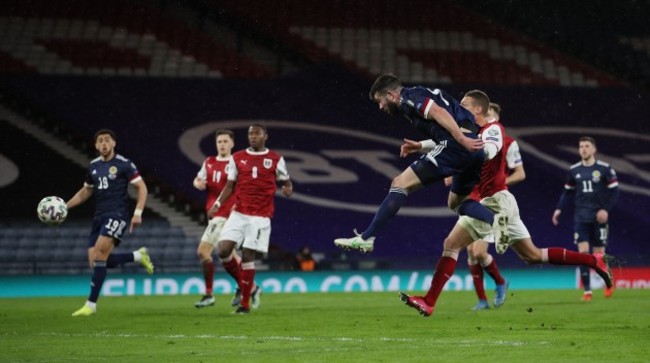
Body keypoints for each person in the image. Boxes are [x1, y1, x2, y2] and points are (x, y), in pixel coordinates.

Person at [397, 111, 614, 318]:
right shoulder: (472, 134)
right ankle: (593, 260)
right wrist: (422, 147)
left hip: (493, 201)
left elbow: (503, 162)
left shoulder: (496, 134)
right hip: (495, 200)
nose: (461, 107)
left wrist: (464, 167)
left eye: (466, 104)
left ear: (482, 111)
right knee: (532, 255)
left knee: (455, 244)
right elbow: (452, 141)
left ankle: (432, 300)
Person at [334, 74, 509, 254]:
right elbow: (459, 120)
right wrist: (421, 146)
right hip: (474, 150)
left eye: (380, 101)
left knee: (400, 183)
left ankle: (367, 238)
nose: (381, 107)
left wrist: (461, 139)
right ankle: (495, 221)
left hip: (458, 146)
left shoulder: (409, 97)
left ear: (391, 95)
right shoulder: (423, 93)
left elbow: (438, 113)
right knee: (457, 202)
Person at [66, 129, 153, 317]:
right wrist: (66, 207)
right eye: (100, 141)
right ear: (96, 145)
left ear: (113, 143)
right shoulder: (93, 166)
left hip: (117, 214)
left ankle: (91, 305)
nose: (104, 143)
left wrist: (137, 213)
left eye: (107, 140)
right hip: (99, 216)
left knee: (99, 255)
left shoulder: (124, 164)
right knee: (96, 262)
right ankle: (137, 256)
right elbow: (85, 191)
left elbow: (142, 187)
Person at [209, 124, 293, 314]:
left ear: (265, 136)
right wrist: (217, 204)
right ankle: (251, 287)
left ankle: (244, 304)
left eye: (257, 133)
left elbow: (287, 182)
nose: (253, 136)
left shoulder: (275, 159)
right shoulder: (237, 158)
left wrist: (287, 189)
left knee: (247, 255)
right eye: (250, 134)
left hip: (260, 217)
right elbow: (230, 186)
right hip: (238, 214)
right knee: (223, 250)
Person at [464, 102, 525, 310]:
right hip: (472, 197)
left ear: (497, 117)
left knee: (479, 252)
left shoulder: (508, 142)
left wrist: (499, 184)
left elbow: (520, 173)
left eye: (491, 114)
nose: (487, 117)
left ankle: (500, 282)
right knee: (471, 252)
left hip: (491, 200)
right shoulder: (475, 137)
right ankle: (482, 299)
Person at [552, 136, 619, 301]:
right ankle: (587, 291)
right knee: (583, 254)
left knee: (598, 255)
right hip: (581, 217)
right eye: (581, 146)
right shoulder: (574, 170)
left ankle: (608, 283)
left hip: (599, 217)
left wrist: (605, 209)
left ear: (594, 149)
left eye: (587, 146)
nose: (583, 149)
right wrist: (559, 209)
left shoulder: (605, 169)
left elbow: (614, 191)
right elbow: (567, 191)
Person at [192, 129, 251, 308]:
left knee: (203, 252)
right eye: (220, 142)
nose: (222, 144)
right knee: (229, 255)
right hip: (213, 214)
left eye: (226, 141)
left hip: (226, 215)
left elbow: (243, 188)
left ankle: (211, 294)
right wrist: (198, 184)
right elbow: (197, 179)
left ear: (232, 143)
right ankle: (248, 287)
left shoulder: (237, 163)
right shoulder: (209, 162)